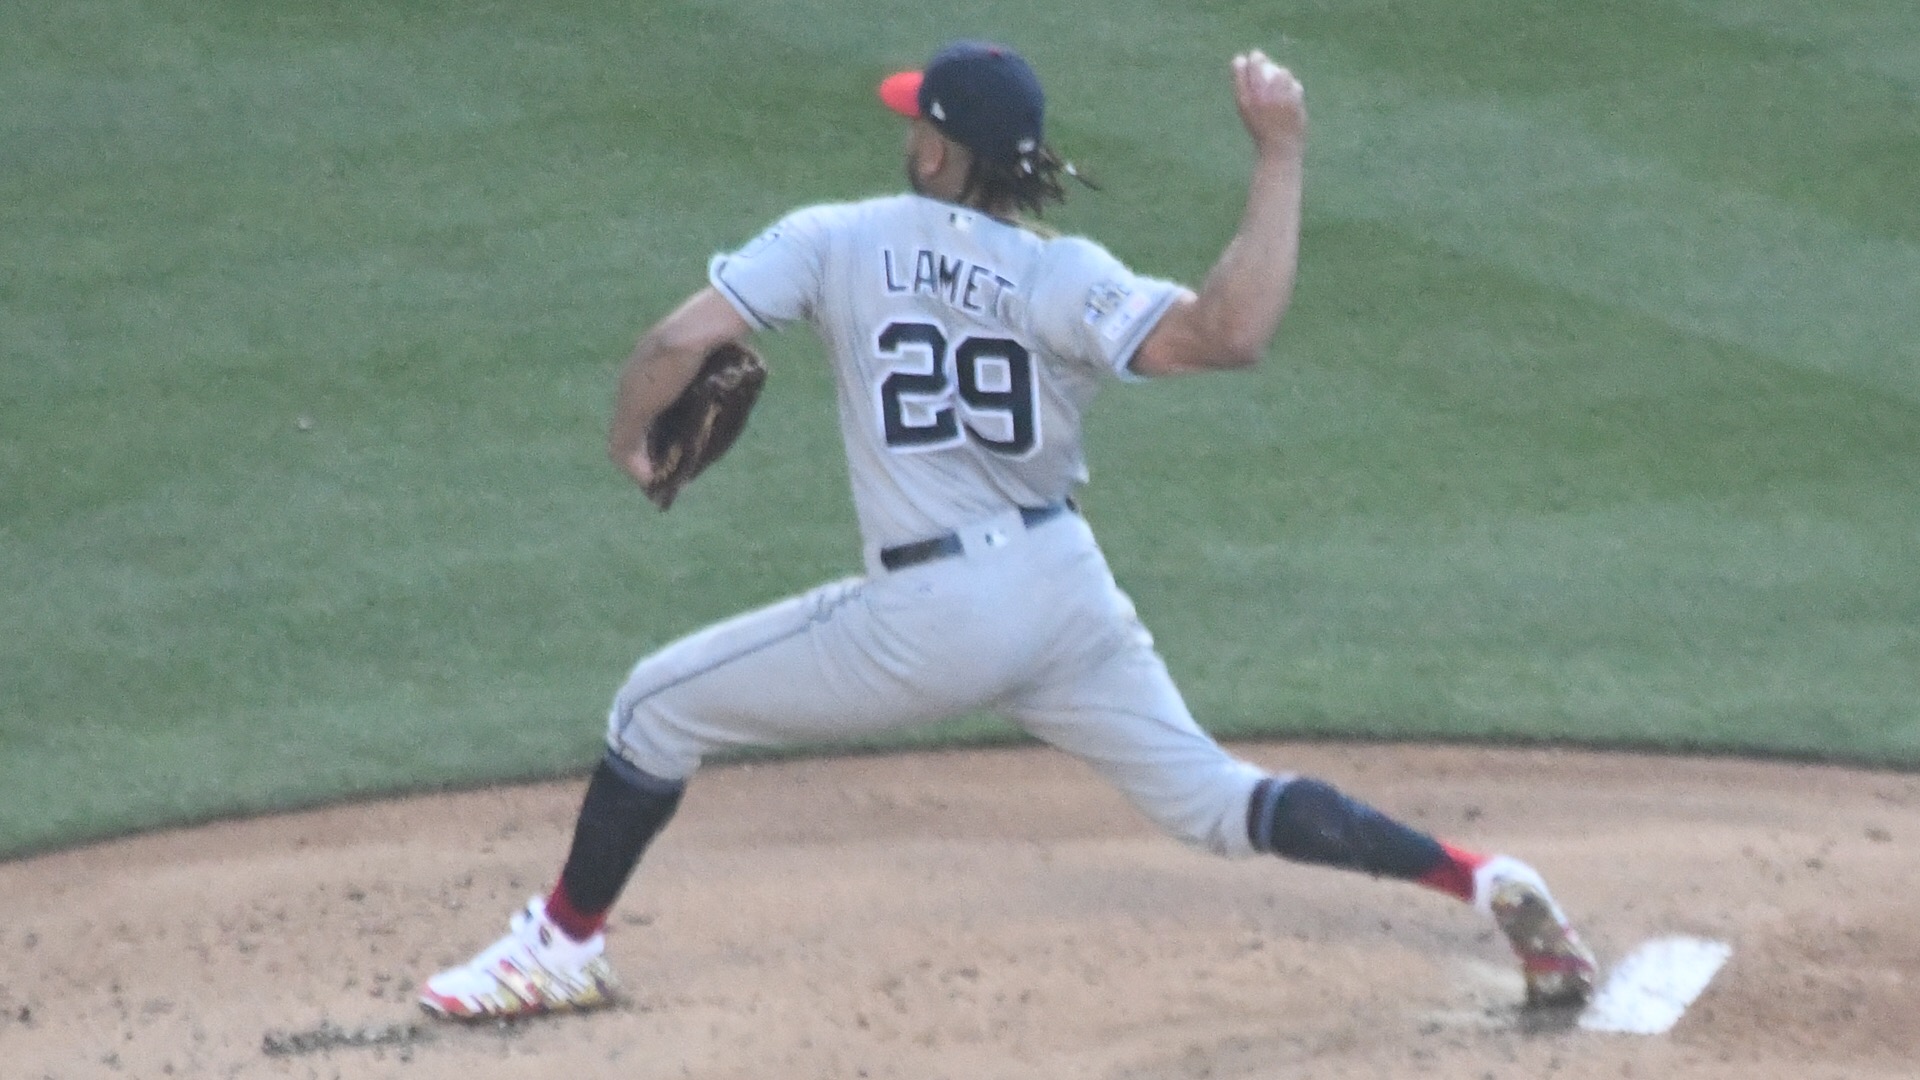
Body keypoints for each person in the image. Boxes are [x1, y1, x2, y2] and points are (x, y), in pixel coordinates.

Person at [418, 41, 1598, 1022]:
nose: (907, 138)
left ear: (939, 150)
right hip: (1062, 588)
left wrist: (631, 438)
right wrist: (1280, 152)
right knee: (1214, 799)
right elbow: (1232, 331)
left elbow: (679, 341)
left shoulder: (837, 235)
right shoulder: (1059, 272)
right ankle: (1478, 875)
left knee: (654, 706)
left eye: (916, 125)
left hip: (933, 615)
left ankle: (560, 948)